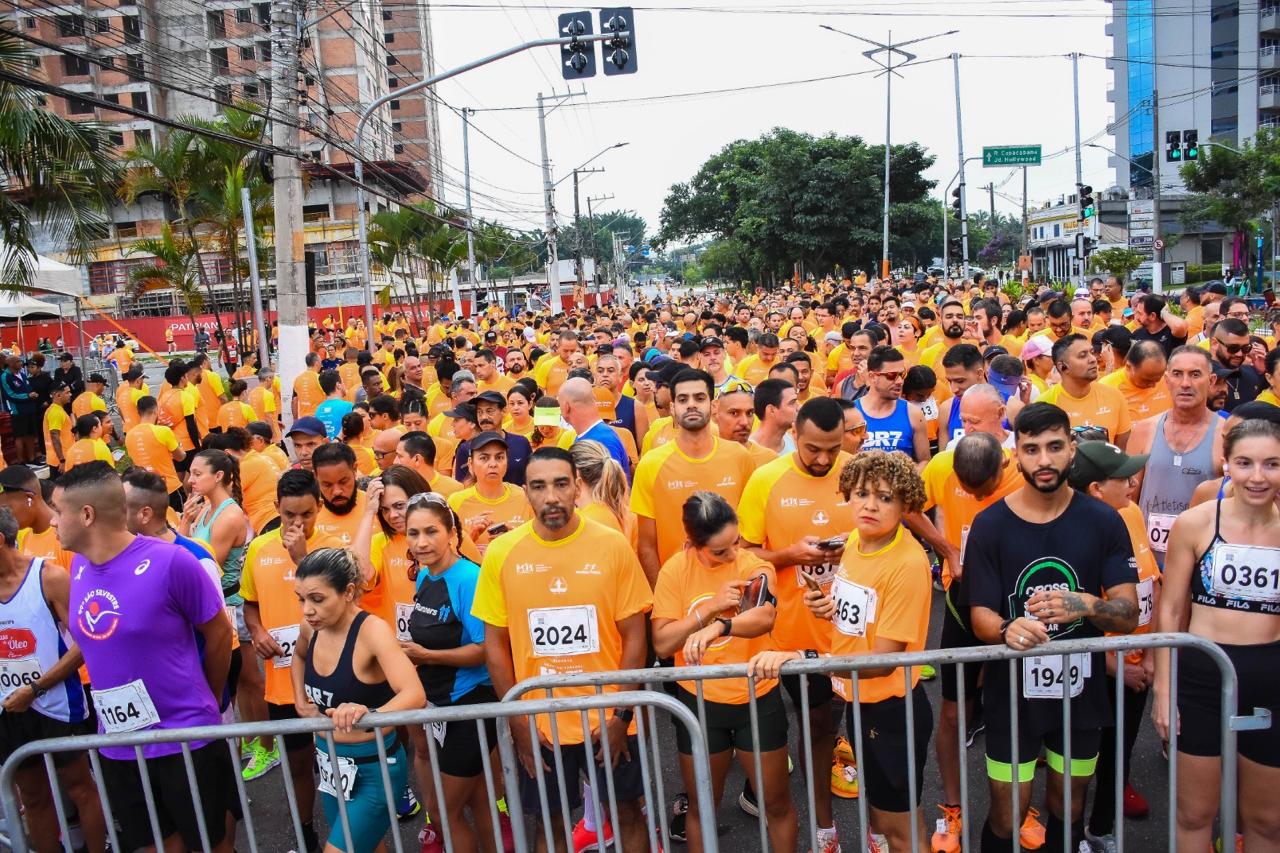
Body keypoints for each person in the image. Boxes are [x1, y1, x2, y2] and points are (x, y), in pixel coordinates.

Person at [965, 403, 1139, 853]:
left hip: (1080, 690)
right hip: (1011, 692)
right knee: (1007, 814)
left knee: (1070, 804)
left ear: (1072, 449)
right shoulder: (990, 525)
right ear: (1016, 455)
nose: (1044, 460)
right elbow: (979, 616)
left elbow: (1128, 613)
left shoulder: (1104, 520)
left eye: (1055, 447)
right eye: (1032, 449)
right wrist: (1007, 628)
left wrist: (1088, 604)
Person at [472, 447, 653, 849]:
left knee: (627, 813)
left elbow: (635, 636)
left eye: (560, 484)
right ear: (526, 492)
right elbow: (495, 646)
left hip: (608, 717)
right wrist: (518, 722)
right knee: (548, 824)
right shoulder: (502, 552)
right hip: (541, 724)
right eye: (539, 486)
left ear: (577, 486)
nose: (551, 496)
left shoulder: (612, 545)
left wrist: (621, 715)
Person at [55, 462, 239, 852]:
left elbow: (219, 633)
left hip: (183, 739)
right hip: (119, 745)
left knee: (210, 843)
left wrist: (207, 699)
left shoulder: (172, 562)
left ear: (86, 515)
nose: (53, 521)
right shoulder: (79, 566)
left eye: (58, 511)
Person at [759, 450, 935, 853]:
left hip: (892, 709)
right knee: (889, 822)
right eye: (861, 493)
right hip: (861, 701)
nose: (870, 505)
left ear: (906, 504)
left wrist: (805, 661)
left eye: (885, 497)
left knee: (901, 831)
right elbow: (860, 618)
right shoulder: (856, 540)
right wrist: (827, 607)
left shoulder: (907, 563)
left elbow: (883, 660)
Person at [1154, 418, 1280, 853]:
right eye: (1245, 463)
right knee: (1194, 813)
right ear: (1226, 464)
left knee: (1267, 820)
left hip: (1271, 680)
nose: (1257, 477)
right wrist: (1163, 689)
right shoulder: (1195, 524)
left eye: (1272, 464)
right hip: (1202, 677)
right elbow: (1171, 609)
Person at [736, 396, 851, 847]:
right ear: (794, 437)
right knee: (809, 726)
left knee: (839, 727)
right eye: (812, 449)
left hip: (850, 631)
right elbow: (744, 553)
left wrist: (852, 549)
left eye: (833, 449)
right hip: (788, 633)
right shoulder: (766, 479)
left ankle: (845, 823)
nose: (823, 459)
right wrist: (789, 555)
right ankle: (821, 824)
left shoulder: (857, 473)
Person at [652, 491, 795, 853]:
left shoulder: (753, 565)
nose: (733, 554)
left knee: (776, 804)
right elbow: (663, 643)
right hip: (700, 705)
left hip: (756, 699)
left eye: (735, 542)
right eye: (720, 551)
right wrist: (709, 610)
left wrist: (720, 627)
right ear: (691, 545)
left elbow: (764, 616)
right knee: (702, 807)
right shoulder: (675, 570)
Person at [290, 547, 425, 853]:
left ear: (349, 592)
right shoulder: (311, 628)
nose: (307, 610)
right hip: (330, 765)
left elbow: (414, 693)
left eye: (317, 599)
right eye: (301, 599)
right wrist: (299, 699)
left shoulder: (373, 631)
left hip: (375, 769)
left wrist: (369, 713)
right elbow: (298, 656)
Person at [1064, 441, 1162, 851]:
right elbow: (1070, 619)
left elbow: (1152, 583)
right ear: (1096, 490)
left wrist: (1151, 653)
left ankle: (1101, 828)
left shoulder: (1131, 513)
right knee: (1078, 760)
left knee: (1120, 751)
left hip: (1136, 666)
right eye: (1123, 477)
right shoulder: (1072, 534)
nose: (1133, 482)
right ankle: (1070, 837)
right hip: (1098, 670)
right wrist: (1114, 667)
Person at [401, 491, 507, 853]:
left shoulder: (468, 578)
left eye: (431, 531)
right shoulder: (425, 576)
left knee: (442, 813)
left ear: (451, 533)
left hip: (470, 706)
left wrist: (427, 656)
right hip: (441, 706)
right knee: (480, 802)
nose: (421, 542)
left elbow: (484, 649)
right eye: (413, 533)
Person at [241, 470, 341, 847]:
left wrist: (303, 558)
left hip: (333, 676)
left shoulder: (333, 549)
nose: (298, 523)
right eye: (289, 515)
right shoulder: (259, 548)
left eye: (307, 514)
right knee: (298, 763)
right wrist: (257, 632)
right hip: (283, 682)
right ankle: (305, 833)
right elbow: (250, 604)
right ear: (276, 508)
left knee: (339, 764)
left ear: (320, 508)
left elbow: (345, 606)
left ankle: (347, 833)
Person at [0, 506, 107, 853]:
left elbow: (86, 642)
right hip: (9, 708)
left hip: (57, 703)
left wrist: (36, 688)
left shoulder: (48, 577)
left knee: (79, 787)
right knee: (32, 796)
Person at [631, 368, 756, 584]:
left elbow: (750, 534)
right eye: (683, 399)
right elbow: (647, 545)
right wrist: (662, 594)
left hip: (732, 586)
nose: (691, 405)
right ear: (672, 408)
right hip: (677, 589)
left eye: (699, 398)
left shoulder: (739, 457)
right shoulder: (651, 464)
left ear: (713, 405)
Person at [1128, 347, 1225, 569]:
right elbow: (1128, 498)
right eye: (1177, 374)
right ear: (1166, 380)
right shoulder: (1144, 429)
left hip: (1202, 561)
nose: (1185, 383)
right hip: (1149, 561)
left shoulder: (1225, 434)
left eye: (1195, 374)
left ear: (1211, 381)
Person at [1039, 335, 1132, 449]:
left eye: (1092, 352)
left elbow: (1120, 450)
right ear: (1063, 366)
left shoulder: (1114, 396)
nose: (1093, 359)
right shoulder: (1044, 405)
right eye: (1082, 355)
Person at [854, 345, 930, 463]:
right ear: (872, 377)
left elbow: (924, 461)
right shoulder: (851, 414)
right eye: (892, 376)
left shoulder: (913, 414)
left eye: (902, 375)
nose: (900, 381)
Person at [559, 377, 631, 475]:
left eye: (559, 404)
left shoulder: (602, 441)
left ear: (566, 407)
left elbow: (609, 483)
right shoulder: (591, 435)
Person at [1097, 340, 1171, 425]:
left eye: (1157, 379)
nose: (1153, 385)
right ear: (1129, 367)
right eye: (1146, 380)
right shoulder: (1107, 388)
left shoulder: (1170, 381)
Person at [2, 354, 39, 464]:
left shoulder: (22, 374)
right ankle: (21, 461)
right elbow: (10, 395)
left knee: (31, 434)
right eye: (18, 361)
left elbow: (29, 388)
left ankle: (32, 458)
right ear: (11, 364)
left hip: (29, 408)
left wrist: (33, 394)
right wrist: (27, 396)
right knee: (20, 436)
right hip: (17, 410)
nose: (21, 363)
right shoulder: (5, 377)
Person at [750, 377, 799, 454]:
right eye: (792, 403)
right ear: (771, 410)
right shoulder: (749, 453)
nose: (798, 408)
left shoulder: (793, 441)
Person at [315, 369, 355, 439]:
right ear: (338, 385)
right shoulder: (348, 406)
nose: (344, 385)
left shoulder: (318, 409)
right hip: (341, 445)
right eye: (343, 382)